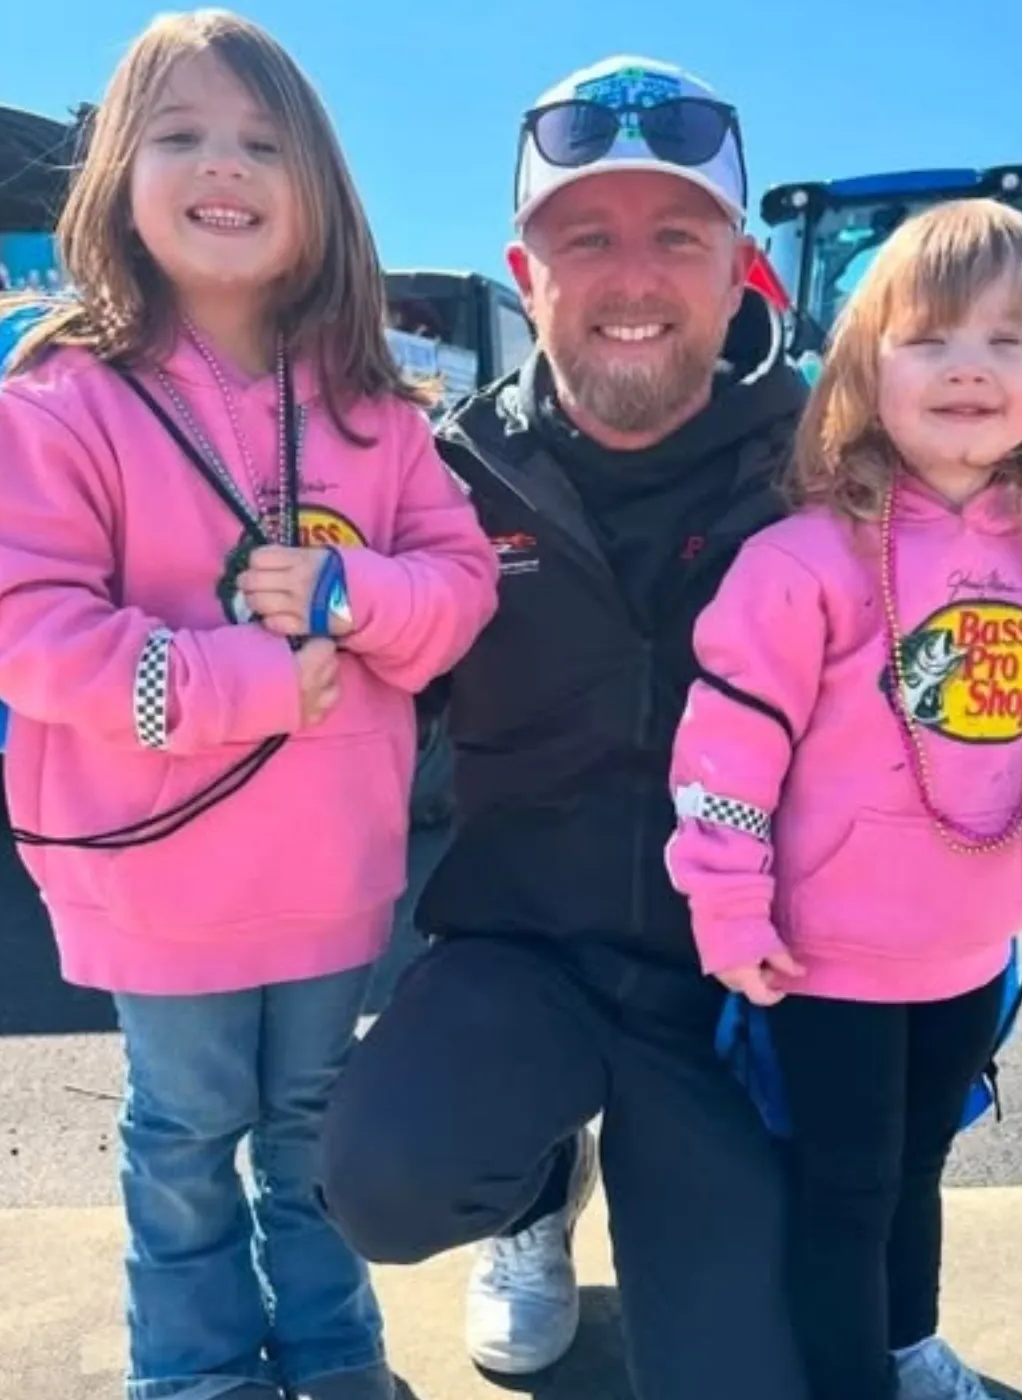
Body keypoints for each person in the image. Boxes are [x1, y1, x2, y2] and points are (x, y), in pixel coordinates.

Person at [0, 12, 498, 1400]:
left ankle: (332, 1354)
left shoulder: (382, 407)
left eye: (261, 140)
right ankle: (194, 1375)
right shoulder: (64, 397)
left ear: (317, 184)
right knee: (187, 1134)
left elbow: (461, 590)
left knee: (312, 1124)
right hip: (153, 870)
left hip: (328, 869)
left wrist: (347, 596)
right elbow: (21, 628)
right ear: (118, 176)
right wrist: (235, 683)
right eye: (182, 134)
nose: (224, 166)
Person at [320, 55, 816, 1400]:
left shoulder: (836, 467)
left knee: (744, 1376)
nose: (633, 277)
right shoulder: (442, 482)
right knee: (383, 1178)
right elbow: (345, 703)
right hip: (519, 955)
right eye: (583, 237)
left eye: (678, 235)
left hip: (743, 985)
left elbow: (1005, 607)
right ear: (523, 270)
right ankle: (538, 1187)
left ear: (741, 267)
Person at [664, 199, 1022, 1400]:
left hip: (966, 953)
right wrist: (728, 912)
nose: (967, 364)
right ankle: (847, 1377)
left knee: (916, 1169)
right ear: (865, 369)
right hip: (822, 960)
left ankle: (905, 1348)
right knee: (843, 1186)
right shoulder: (801, 561)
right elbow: (723, 755)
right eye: (930, 337)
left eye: (1007, 339)